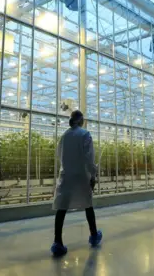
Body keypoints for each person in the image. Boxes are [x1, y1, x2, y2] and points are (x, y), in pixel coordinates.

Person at [51, 110, 102, 257]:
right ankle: (93, 236)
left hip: (66, 176)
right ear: (81, 121)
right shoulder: (85, 134)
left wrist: (67, 166)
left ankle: (57, 242)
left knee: (61, 208)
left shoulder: (64, 136)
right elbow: (89, 158)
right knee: (88, 205)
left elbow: (59, 155)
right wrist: (93, 175)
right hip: (81, 176)